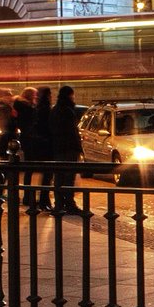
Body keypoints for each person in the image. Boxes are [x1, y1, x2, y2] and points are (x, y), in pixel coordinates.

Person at [49, 86, 86, 216]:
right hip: (69, 148)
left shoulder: (54, 110)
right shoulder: (68, 111)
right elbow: (73, 132)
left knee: (59, 177)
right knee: (69, 177)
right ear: (70, 95)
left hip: (58, 148)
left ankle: (59, 204)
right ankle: (69, 203)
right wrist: (79, 147)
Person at [20, 87, 52, 210]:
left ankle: (28, 197)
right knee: (46, 173)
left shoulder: (34, 108)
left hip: (32, 143)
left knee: (30, 170)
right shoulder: (42, 109)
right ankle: (43, 199)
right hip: (42, 144)